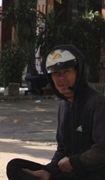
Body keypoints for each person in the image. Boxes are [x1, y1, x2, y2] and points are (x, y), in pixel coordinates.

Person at [6, 44, 105, 179]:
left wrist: (74, 162)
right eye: (56, 74)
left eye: (66, 72)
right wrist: (48, 171)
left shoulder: (97, 104)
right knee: (15, 166)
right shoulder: (63, 106)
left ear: (78, 72)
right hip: (69, 172)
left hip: (92, 174)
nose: (61, 79)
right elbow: (62, 149)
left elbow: (102, 150)